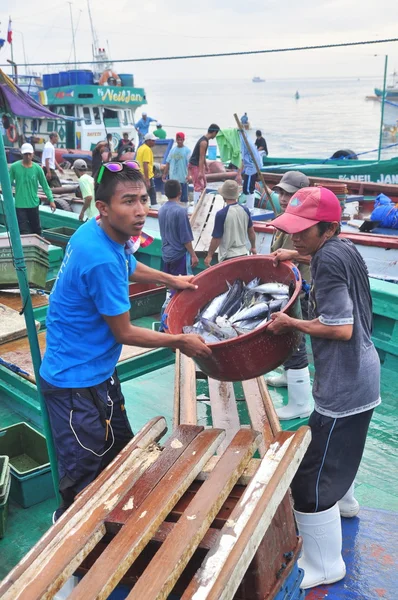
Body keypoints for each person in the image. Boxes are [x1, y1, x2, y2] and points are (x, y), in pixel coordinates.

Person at [39, 164, 211, 521]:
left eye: (144, 199)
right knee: (84, 476)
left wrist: (171, 279)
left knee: (121, 451)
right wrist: (180, 341)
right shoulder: (98, 258)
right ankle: (70, 540)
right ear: (103, 208)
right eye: (128, 201)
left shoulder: (98, 232)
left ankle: (114, 521)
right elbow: (126, 333)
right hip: (75, 383)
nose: (139, 210)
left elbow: (128, 263)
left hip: (100, 373)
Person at [268, 186, 380, 590]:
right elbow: (320, 256)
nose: (295, 236)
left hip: (344, 388)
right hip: (365, 376)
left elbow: (339, 327)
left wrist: (290, 323)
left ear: (328, 228)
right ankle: (347, 504)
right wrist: (294, 255)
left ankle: (326, 564)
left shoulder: (328, 261)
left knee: (309, 483)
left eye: (303, 232)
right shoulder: (342, 247)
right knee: (340, 456)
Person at [265, 171, 312, 420]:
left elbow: (317, 256)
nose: (283, 198)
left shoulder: (306, 224)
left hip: (300, 291)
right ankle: (288, 376)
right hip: (284, 288)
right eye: (281, 192)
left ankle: (301, 402)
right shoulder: (287, 218)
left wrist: (292, 255)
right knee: (286, 341)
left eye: (290, 194)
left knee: (294, 342)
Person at [204, 180, 256, 267]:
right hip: (243, 254)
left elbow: (216, 239)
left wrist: (209, 255)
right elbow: (251, 231)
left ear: (223, 196)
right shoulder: (245, 210)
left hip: (228, 257)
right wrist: (253, 247)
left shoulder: (221, 214)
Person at [9, 143, 56, 235]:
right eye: (25, 154)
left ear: (33, 154)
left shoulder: (37, 169)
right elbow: (8, 183)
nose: (27, 156)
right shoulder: (14, 167)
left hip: (33, 204)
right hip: (20, 204)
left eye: (29, 154)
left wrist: (51, 200)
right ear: (21, 154)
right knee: (23, 230)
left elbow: (45, 186)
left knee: (36, 229)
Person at [158, 179, 198, 279]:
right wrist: (193, 255)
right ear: (180, 193)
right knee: (179, 287)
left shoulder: (161, 210)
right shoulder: (180, 211)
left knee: (169, 285)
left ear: (166, 193)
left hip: (166, 255)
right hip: (178, 257)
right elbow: (186, 239)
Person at [188, 124, 220, 206]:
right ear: (214, 132)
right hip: (194, 165)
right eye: (216, 133)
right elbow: (201, 157)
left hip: (198, 164)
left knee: (204, 184)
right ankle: (196, 206)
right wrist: (200, 172)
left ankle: (200, 203)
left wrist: (206, 165)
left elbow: (203, 155)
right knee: (198, 186)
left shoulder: (205, 140)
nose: (216, 136)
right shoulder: (203, 142)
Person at [236, 130, 261, 211]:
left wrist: (239, 173)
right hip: (250, 168)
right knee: (247, 187)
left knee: (249, 188)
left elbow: (245, 157)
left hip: (251, 168)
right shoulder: (246, 142)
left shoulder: (247, 143)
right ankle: (248, 204)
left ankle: (250, 207)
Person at [162, 132, 191, 204]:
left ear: (183, 140)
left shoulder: (187, 151)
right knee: (173, 198)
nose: (179, 141)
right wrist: (165, 174)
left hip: (182, 179)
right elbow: (168, 163)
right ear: (176, 140)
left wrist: (189, 175)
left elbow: (190, 165)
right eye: (178, 139)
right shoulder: (172, 150)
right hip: (173, 179)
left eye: (181, 140)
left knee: (183, 199)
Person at [136, 132, 157, 206]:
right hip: (147, 176)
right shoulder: (147, 149)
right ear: (148, 141)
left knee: (143, 195)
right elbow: (145, 164)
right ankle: (154, 209)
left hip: (140, 175)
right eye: (153, 140)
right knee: (152, 195)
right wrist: (147, 179)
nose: (154, 142)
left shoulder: (140, 148)